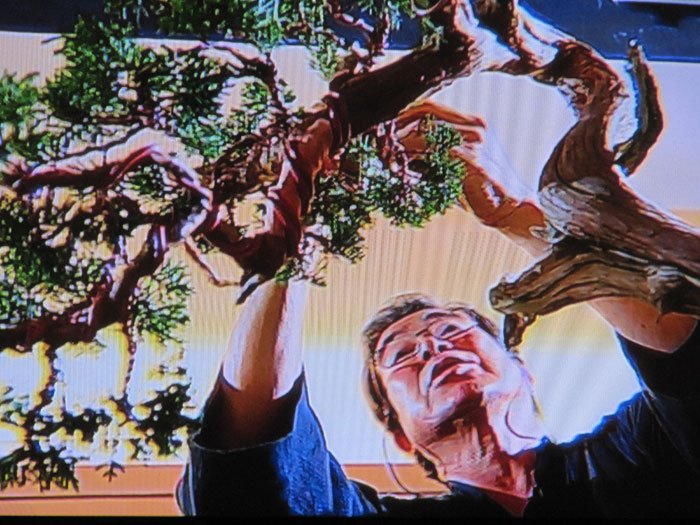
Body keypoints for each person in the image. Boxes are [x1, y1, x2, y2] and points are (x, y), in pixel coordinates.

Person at [176, 105, 700, 517]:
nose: (432, 347)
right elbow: (249, 473)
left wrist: (515, 212)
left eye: (452, 331)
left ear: (524, 372)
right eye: (402, 357)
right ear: (401, 435)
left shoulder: (639, 454)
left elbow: (687, 356)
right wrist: (299, 227)